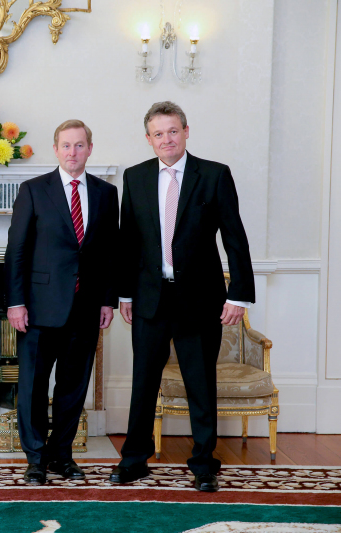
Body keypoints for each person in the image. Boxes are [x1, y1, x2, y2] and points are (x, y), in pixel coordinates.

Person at [111, 101, 255, 492]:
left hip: (200, 299)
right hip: (149, 299)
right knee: (143, 383)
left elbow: (234, 236)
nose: (166, 139)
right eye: (158, 134)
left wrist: (238, 294)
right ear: (148, 139)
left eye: (173, 131)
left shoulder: (214, 174)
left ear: (186, 131)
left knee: (199, 383)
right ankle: (134, 460)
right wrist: (124, 292)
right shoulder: (136, 177)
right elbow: (129, 241)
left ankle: (204, 462)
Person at [4, 120, 119, 485]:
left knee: (73, 388)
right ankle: (35, 459)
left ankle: (62, 455)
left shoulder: (105, 194)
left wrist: (107, 301)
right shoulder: (34, 190)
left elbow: (108, 255)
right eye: (66, 145)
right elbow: (17, 251)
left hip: (86, 309)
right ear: (55, 149)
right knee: (34, 387)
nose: (73, 152)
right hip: (38, 308)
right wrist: (15, 302)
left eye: (80, 145)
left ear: (89, 149)